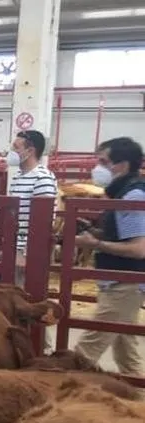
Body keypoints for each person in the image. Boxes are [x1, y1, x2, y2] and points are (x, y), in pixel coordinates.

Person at [73, 137, 145, 375]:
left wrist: (96, 244)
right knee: (127, 354)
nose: (98, 168)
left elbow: (139, 248)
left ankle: (60, 392)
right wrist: (93, 231)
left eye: (103, 162)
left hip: (124, 284)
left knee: (84, 353)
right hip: (119, 282)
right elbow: (123, 236)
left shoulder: (133, 196)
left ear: (122, 164)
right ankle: (137, 394)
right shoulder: (122, 193)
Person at [6, 130, 58, 287]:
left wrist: (25, 253)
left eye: (16, 147)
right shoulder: (18, 176)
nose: (11, 152)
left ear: (30, 151)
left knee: (26, 291)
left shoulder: (42, 178)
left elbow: (44, 220)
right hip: (15, 244)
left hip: (30, 248)